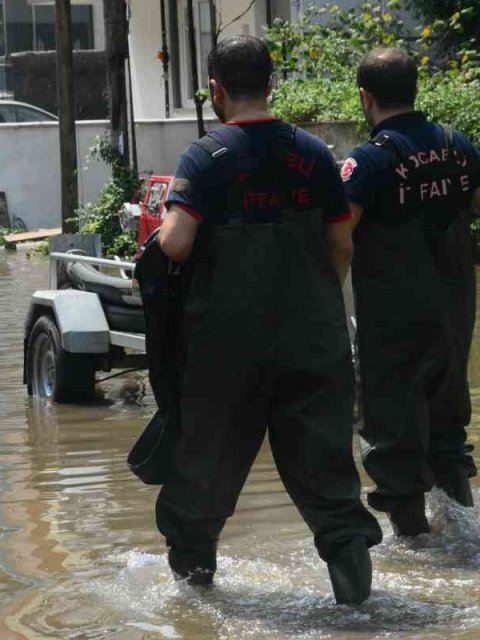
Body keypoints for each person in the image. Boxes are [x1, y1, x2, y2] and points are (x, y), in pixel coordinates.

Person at [154, 36, 382, 605]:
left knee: (202, 482)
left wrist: (162, 219)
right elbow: (342, 247)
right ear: (272, 84)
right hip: (314, 341)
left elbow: (177, 246)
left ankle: (195, 609)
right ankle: (356, 605)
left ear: (215, 90)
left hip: (226, 349)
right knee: (330, 478)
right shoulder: (315, 154)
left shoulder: (205, 157)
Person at [343, 48, 480, 536]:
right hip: (453, 321)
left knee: (393, 438)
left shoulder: (368, 161)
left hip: (391, 328)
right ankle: (467, 537)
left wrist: (318, 306)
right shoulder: (457, 146)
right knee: (448, 430)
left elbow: (338, 240)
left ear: (365, 97)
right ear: (415, 90)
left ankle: (418, 552)